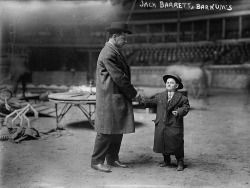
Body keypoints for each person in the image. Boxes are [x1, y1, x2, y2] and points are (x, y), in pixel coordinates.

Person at [91, 22, 141, 173]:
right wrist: (134, 93)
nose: (125, 41)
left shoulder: (114, 51)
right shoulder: (108, 52)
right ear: (114, 36)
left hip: (115, 96)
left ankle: (112, 159)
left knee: (117, 128)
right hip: (109, 98)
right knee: (106, 130)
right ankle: (96, 161)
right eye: (123, 38)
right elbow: (119, 77)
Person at [140, 74, 190, 171]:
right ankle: (166, 160)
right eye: (167, 83)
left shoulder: (182, 98)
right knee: (162, 141)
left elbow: (186, 107)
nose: (169, 84)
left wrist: (179, 111)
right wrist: (143, 102)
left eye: (171, 83)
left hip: (174, 123)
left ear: (177, 86)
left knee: (176, 143)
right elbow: (152, 102)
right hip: (161, 123)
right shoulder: (160, 96)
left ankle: (180, 161)